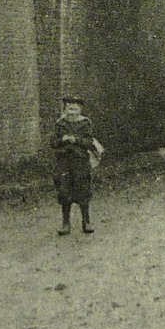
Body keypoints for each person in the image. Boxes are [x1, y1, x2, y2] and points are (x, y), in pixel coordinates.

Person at [51, 96, 102, 236]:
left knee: (83, 190)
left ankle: (86, 221)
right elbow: (53, 142)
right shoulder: (60, 124)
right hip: (64, 162)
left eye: (75, 109)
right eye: (69, 109)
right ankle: (65, 223)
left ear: (80, 110)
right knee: (64, 190)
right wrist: (62, 139)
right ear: (65, 110)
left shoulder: (85, 123)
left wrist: (76, 140)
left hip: (80, 162)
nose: (72, 112)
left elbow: (89, 141)